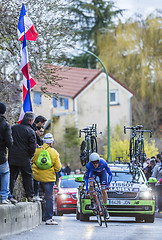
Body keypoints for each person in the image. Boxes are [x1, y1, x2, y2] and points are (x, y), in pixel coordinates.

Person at [32, 133, 61, 225]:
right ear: (51, 142)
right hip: (49, 179)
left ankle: (37, 218)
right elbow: (58, 168)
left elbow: (32, 161)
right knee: (49, 198)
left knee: (37, 197)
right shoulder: (54, 152)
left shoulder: (37, 150)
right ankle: (48, 218)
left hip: (37, 177)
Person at [8, 112, 37, 202]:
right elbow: (32, 148)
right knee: (27, 177)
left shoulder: (13, 128)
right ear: (31, 120)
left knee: (12, 177)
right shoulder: (31, 131)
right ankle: (29, 196)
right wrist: (30, 156)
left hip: (13, 157)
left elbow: (9, 140)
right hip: (25, 158)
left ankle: (9, 195)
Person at [85, 152, 112, 218]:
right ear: (91, 162)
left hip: (102, 173)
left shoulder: (103, 163)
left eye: (96, 162)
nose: (95, 164)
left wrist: (108, 184)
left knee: (104, 190)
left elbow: (110, 174)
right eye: (93, 163)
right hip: (93, 172)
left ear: (99, 161)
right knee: (91, 184)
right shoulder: (89, 165)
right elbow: (86, 178)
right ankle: (92, 201)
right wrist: (87, 189)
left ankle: (105, 209)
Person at [0, 103, 13, 204]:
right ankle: (4, 197)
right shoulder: (5, 124)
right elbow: (9, 143)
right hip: (1, 156)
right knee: (5, 173)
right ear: (4, 111)